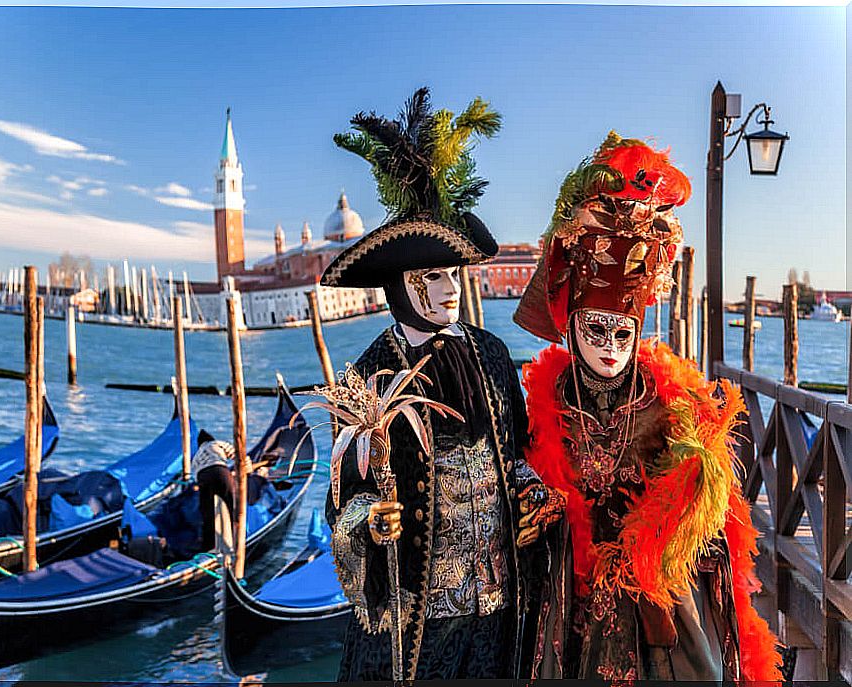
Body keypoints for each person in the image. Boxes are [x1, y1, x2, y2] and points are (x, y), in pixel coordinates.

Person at [513, 132, 781, 681]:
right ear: (571, 327)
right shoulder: (549, 404)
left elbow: (717, 524)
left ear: (638, 330)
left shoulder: (672, 405)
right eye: (596, 329)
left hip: (658, 618)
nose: (610, 348)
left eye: (622, 332)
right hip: (571, 612)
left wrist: (682, 508)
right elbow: (528, 483)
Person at [321, 87, 561, 682]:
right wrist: (370, 522)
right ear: (400, 284)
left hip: (500, 603)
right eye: (431, 275)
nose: (450, 288)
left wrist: (533, 493)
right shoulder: (365, 378)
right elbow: (342, 499)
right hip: (418, 615)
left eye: (453, 273)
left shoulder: (493, 353)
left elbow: (515, 450)